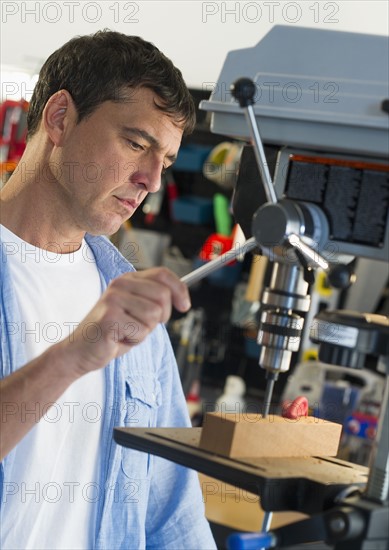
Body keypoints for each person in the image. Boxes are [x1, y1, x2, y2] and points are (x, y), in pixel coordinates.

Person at [0, 30, 217, 550]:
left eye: (163, 161)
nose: (150, 180)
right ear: (59, 118)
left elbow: (172, 513)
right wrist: (72, 356)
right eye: (137, 143)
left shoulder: (132, 307)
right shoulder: (117, 315)